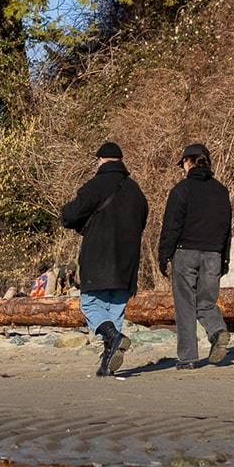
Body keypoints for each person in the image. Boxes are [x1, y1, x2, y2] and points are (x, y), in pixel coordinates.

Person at [60, 141, 149, 376]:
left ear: (100, 160)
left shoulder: (95, 185)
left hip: (99, 258)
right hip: (127, 261)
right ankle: (106, 364)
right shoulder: (136, 190)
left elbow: (69, 215)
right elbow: (142, 222)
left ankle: (113, 336)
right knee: (114, 311)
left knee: (89, 304)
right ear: (120, 161)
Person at [158, 142, 234, 370]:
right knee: (206, 303)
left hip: (185, 252)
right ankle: (218, 331)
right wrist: (225, 258)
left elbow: (171, 226)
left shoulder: (181, 190)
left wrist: (164, 256)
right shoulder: (221, 191)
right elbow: (226, 228)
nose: (182, 168)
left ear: (189, 162)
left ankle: (188, 357)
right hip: (213, 254)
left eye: (182, 163)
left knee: (185, 306)